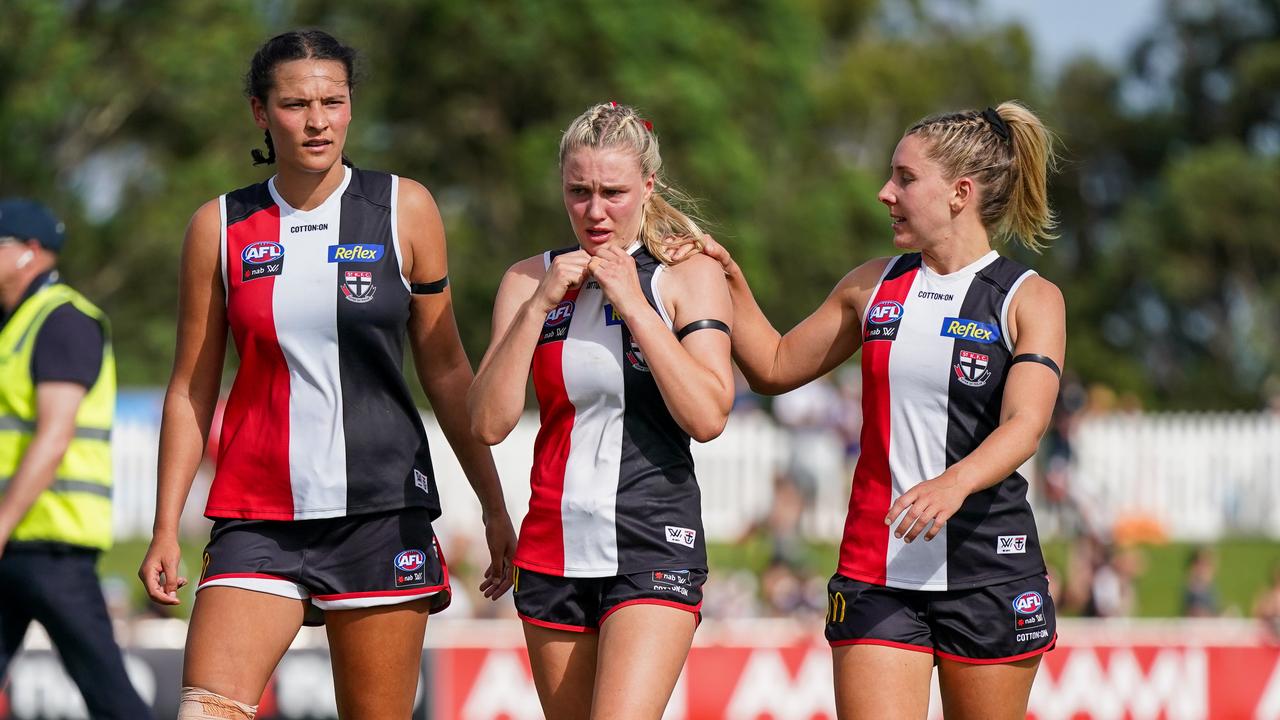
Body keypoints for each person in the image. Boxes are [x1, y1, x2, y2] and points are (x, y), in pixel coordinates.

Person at [136, 30, 516, 720]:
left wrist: (493, 506)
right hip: (257, 515)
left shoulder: (406, 208)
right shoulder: (217, 226)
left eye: (332, 101)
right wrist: (166, 524)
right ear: (260, 112)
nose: (317, 120)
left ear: (350, 107)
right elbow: (191, 387)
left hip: (381, 513)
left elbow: (449, 370)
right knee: (203, 710)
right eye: (295, 104)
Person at [694, 102, 1064, 719]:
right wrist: (728, 277)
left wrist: (954, 484)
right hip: (876, 568)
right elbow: (776, 365)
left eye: (905, 178)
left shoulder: (1030, 297)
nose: (884, 192)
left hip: (989, 568)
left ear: (959, 194)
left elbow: (1026, 422)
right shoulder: (871, 285)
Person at [467, 101, 734, 720]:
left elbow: (708, 415)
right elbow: (487, 422)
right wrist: (538, 306)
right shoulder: (526, 278)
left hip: (652, 539)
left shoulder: (684, 274)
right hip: (552, 546)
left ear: (648, 185)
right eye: (578, 191)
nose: (594, 211)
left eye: (612, 192)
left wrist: (633, 303)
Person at [0, 198, 154, 718]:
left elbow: (54, 437)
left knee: (109, 694)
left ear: (31, 253)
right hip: (16, 544)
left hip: (52, 547)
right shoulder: (14, 324)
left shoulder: (62, 321)